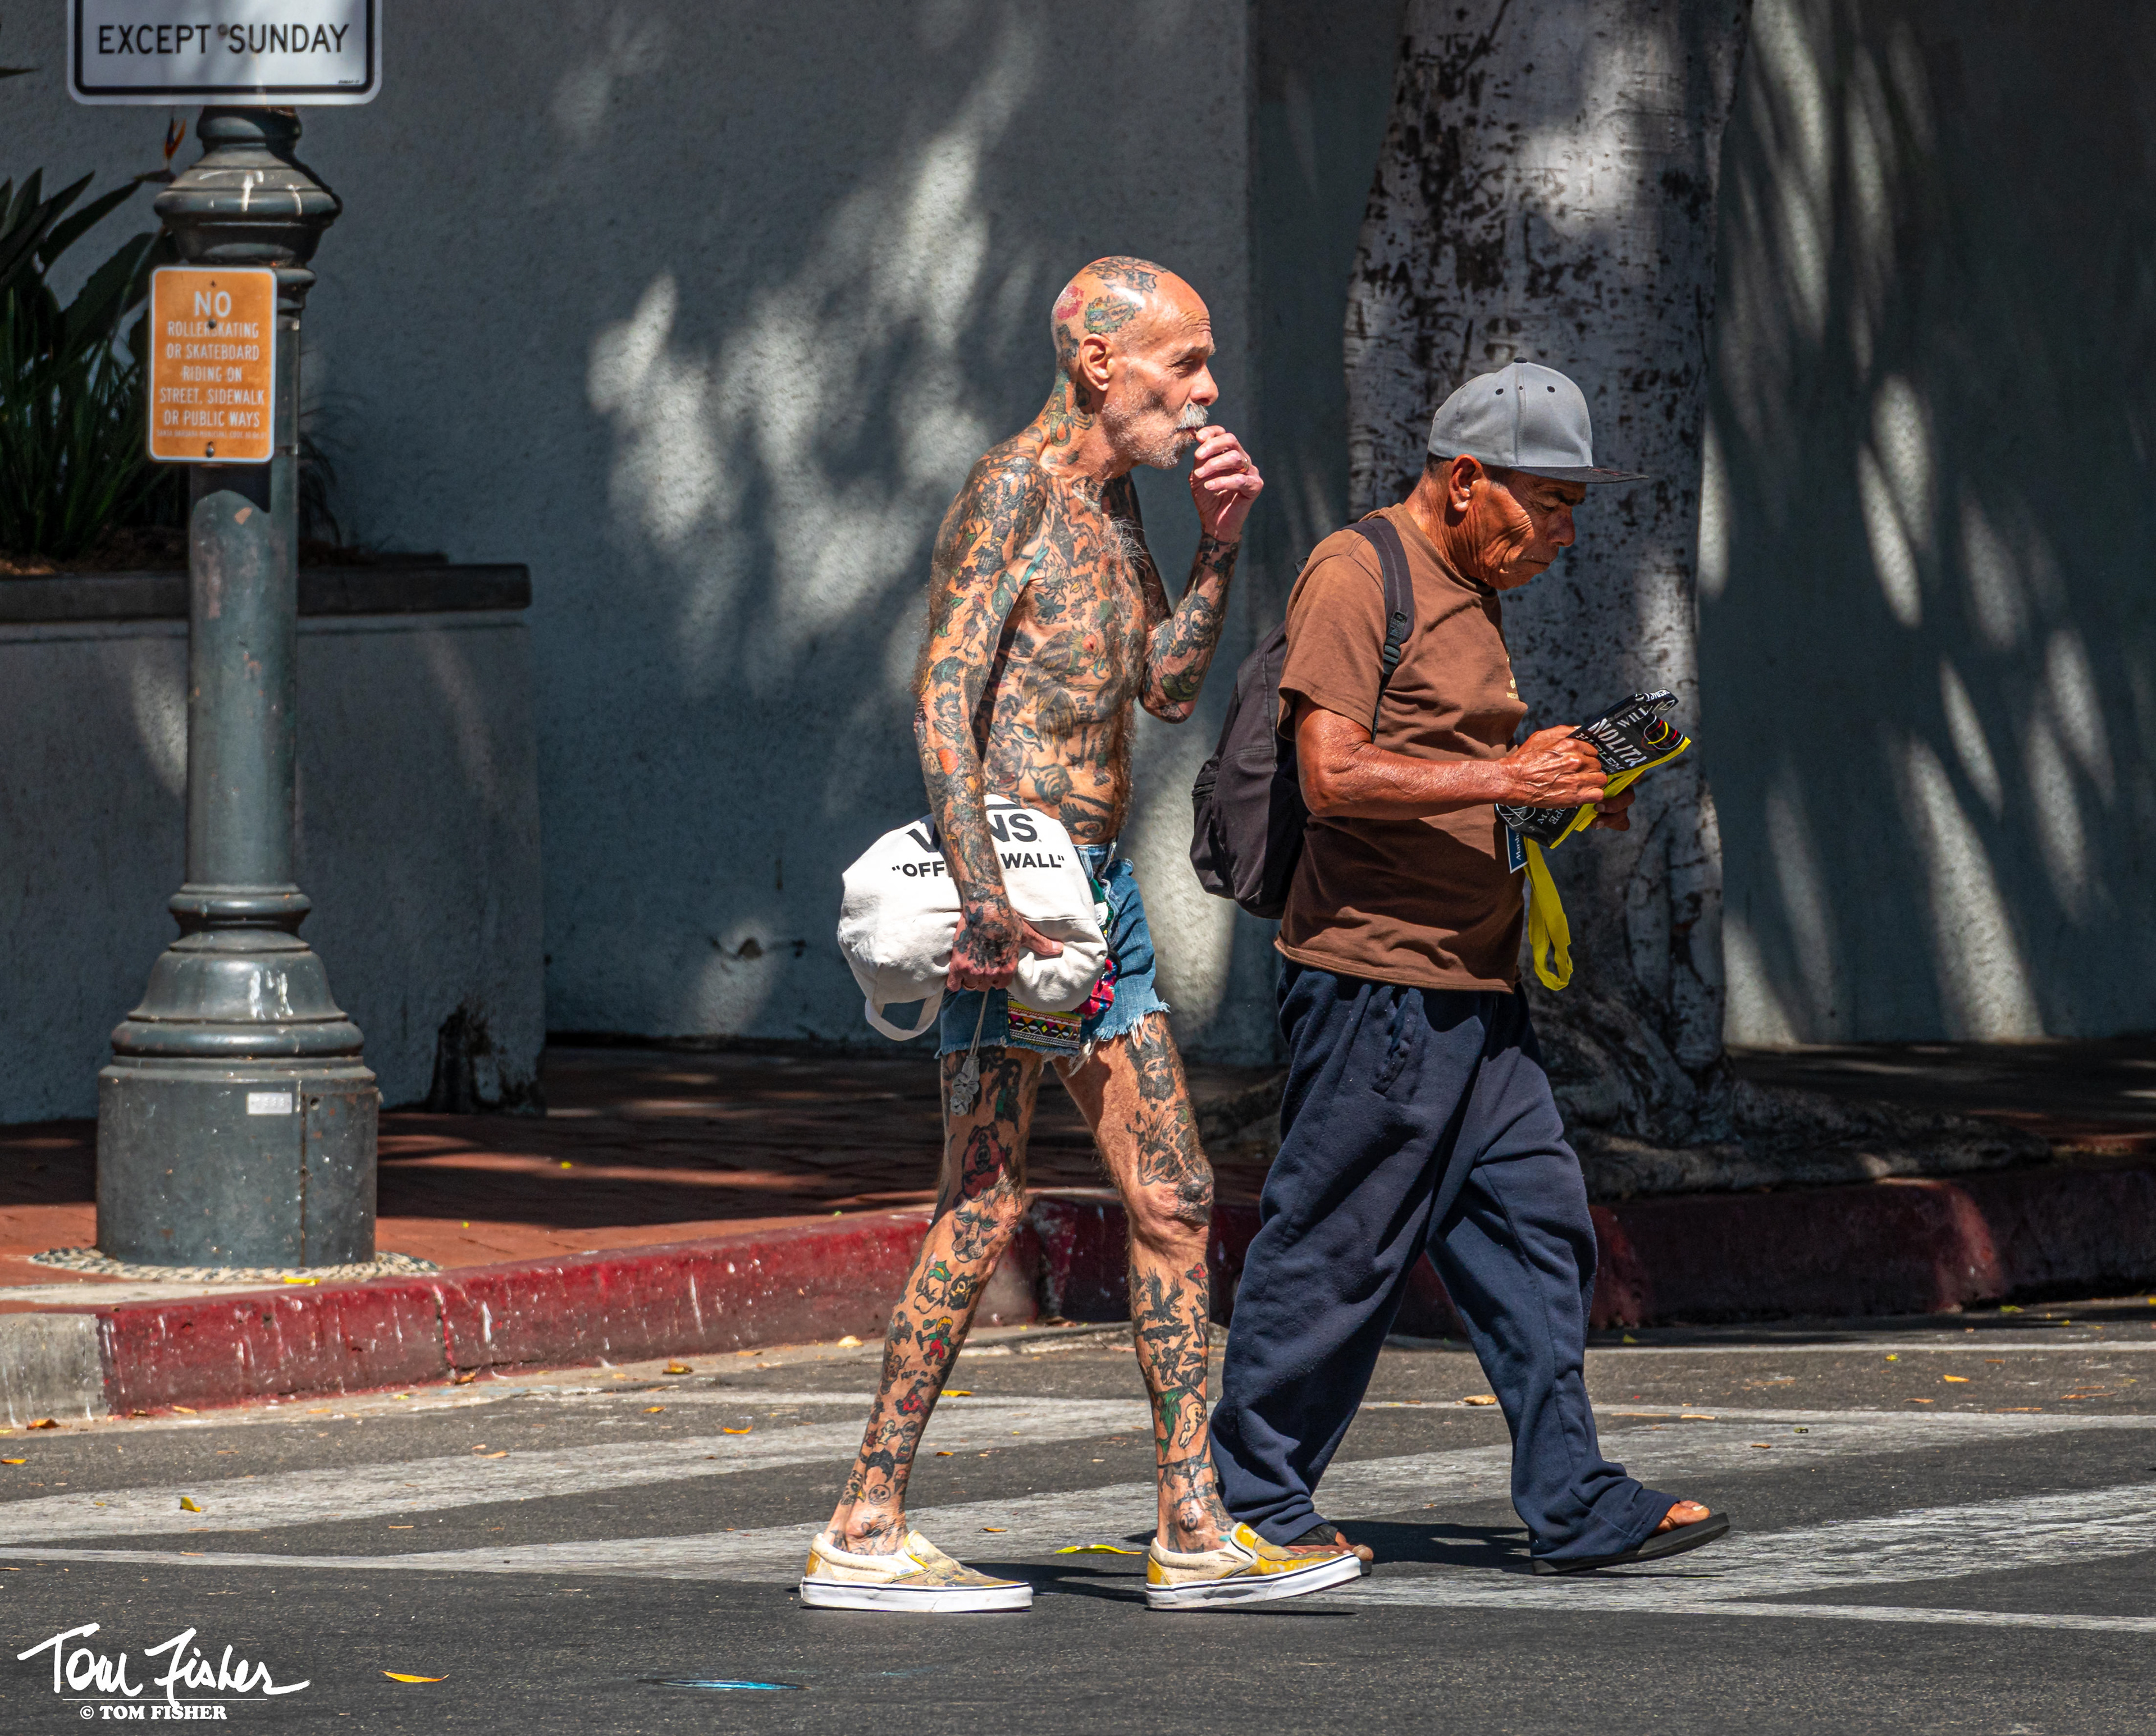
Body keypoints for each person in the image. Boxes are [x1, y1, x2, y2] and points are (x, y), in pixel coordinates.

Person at [801, 258, 1362, 1612]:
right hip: (1021, 891)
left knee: (1170, 1194)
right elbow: (944, 702)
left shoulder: (1116, 503)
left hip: (1093, 895)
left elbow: (1165, 689)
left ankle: (1189, 1523)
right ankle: (866, 1523)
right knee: (985, 1196)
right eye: (1187, 361)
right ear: (1102, 364)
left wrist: (1221, 544)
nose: (1209, 388)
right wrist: (987, 894)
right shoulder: (1013, 492)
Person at [1207, 361, 1732, 1575]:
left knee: (1541, 1233)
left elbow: (1442, 766)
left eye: (1572, 508)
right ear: (1462, 479)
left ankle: (1574, 1495)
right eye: (1543, 503)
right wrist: (1507, 778)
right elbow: (1334, 775)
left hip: (1476, 986)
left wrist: (1552, 797)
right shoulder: (1357, 571)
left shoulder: (1469, 589)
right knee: (1335, 1244)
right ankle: (1251, 1500)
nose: (1560, 531)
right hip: (1377, 983)